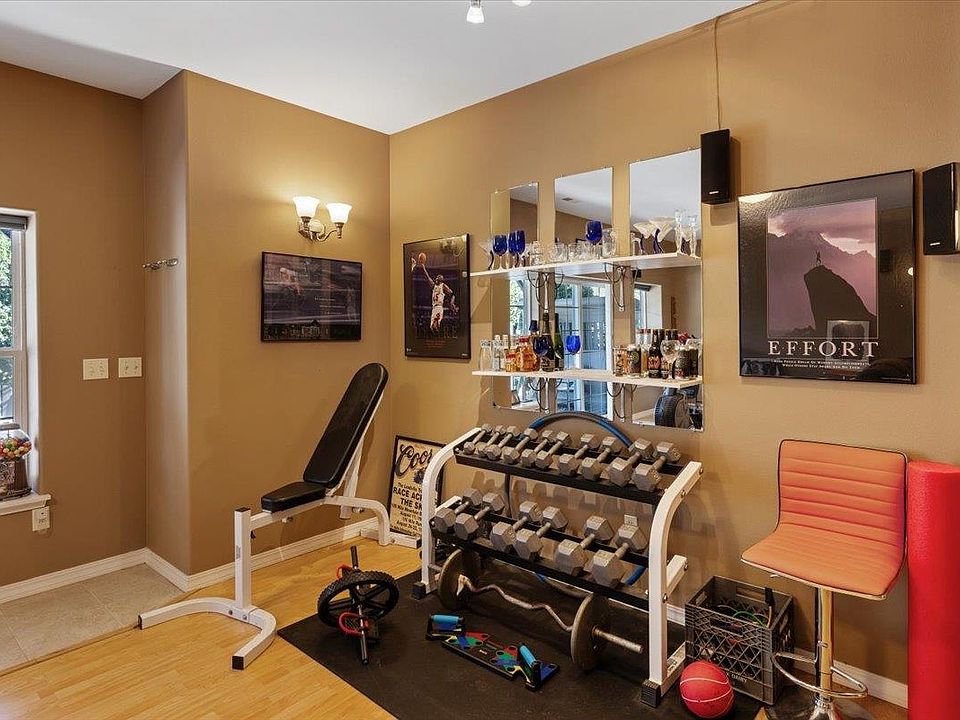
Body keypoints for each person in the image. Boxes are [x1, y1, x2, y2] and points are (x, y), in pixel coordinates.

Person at [412, 255, 458, 332]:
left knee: (435, 326)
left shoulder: (443, 285)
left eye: (439, 276)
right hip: (434, 308)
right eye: (437, 276)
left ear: (441, 279)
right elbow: (427, 276)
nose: (437, 277)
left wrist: (452, 303)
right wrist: (423, 266)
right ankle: (437, 335)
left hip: (439, 307)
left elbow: (452, 293)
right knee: (432, 328)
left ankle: (439, 335)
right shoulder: (433, 286)